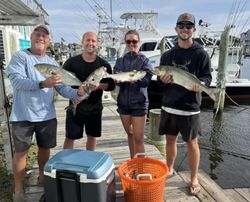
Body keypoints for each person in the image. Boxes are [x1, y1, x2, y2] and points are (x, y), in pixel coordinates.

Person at [6, 25, 85, 202]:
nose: (41, 38)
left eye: (44, 36)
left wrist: (78, 93)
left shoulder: (52, 63)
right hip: (22, 115)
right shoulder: (20, 57)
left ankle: (42, 175)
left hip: (46, 116)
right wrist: (43, 84)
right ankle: (18, 189)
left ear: (49, 41)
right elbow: (17, 82)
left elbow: (63, 88)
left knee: (44, 149)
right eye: (38, 34)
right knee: (21, 152)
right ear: (32, 37)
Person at [158, 13, 212, 195]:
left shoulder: (201, 54)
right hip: (169, 106)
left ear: (193, 30)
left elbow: (207, 77)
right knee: (170, 140)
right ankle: (169, 168)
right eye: (181, 25)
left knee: (192, 143)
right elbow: (158, 82)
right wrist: (163, 80)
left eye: (188, 26)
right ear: (176, 29)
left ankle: (194, 177)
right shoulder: (167, 55)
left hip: (189, 109)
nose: (184, 29)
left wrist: (202, 85)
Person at [63, 31, 115, 150]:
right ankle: (65, 163)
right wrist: (73, 94)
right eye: (87, 40)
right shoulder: (71, 62)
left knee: (92, 137)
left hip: (94, 108)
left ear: (97, 44)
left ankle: (89, 163)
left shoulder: (104, 65)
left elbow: (111, 85)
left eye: (93, 41)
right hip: (75, 105)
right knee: (70, 137)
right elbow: (62, 82)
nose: (90, 43)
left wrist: (99, 86)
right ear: (82, 42)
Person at [113, 30, 153, 158]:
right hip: (123, 103)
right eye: (128, 41)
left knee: (138, 138)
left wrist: (138, 79)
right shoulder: (120, 61)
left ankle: (140, 169)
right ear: (125, 43)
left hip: (139, 103)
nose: (131, 44)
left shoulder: (144, 61)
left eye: (134, 41)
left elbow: (147, 80)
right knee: (130, 133)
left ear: (139, 42)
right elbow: (117, 80)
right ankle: (133, 162)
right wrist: (118, 81)